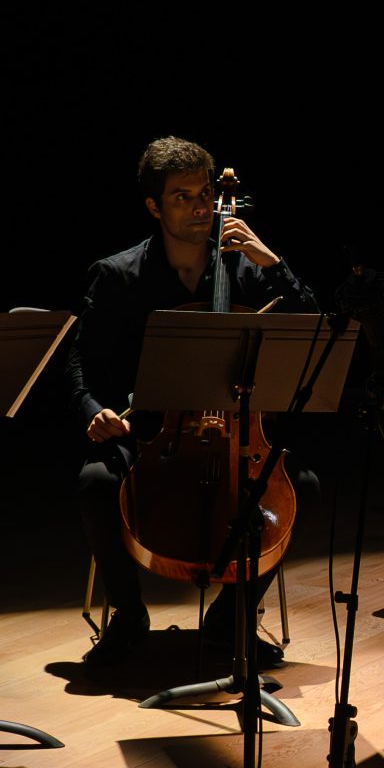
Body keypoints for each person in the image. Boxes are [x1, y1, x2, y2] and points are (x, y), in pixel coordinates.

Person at [66, 137, 320, 668]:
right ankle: (128, 617)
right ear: (154, 206)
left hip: (238, 430)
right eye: (182, 197)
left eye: (205, 194)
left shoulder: (246, 269)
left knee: (304, 486)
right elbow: (79, 360)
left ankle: (231, 618)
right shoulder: (117, 275)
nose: (201, 207)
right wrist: (94, 410)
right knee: (95, 482)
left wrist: (272, 261)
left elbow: (311, 331)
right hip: (150, 431)